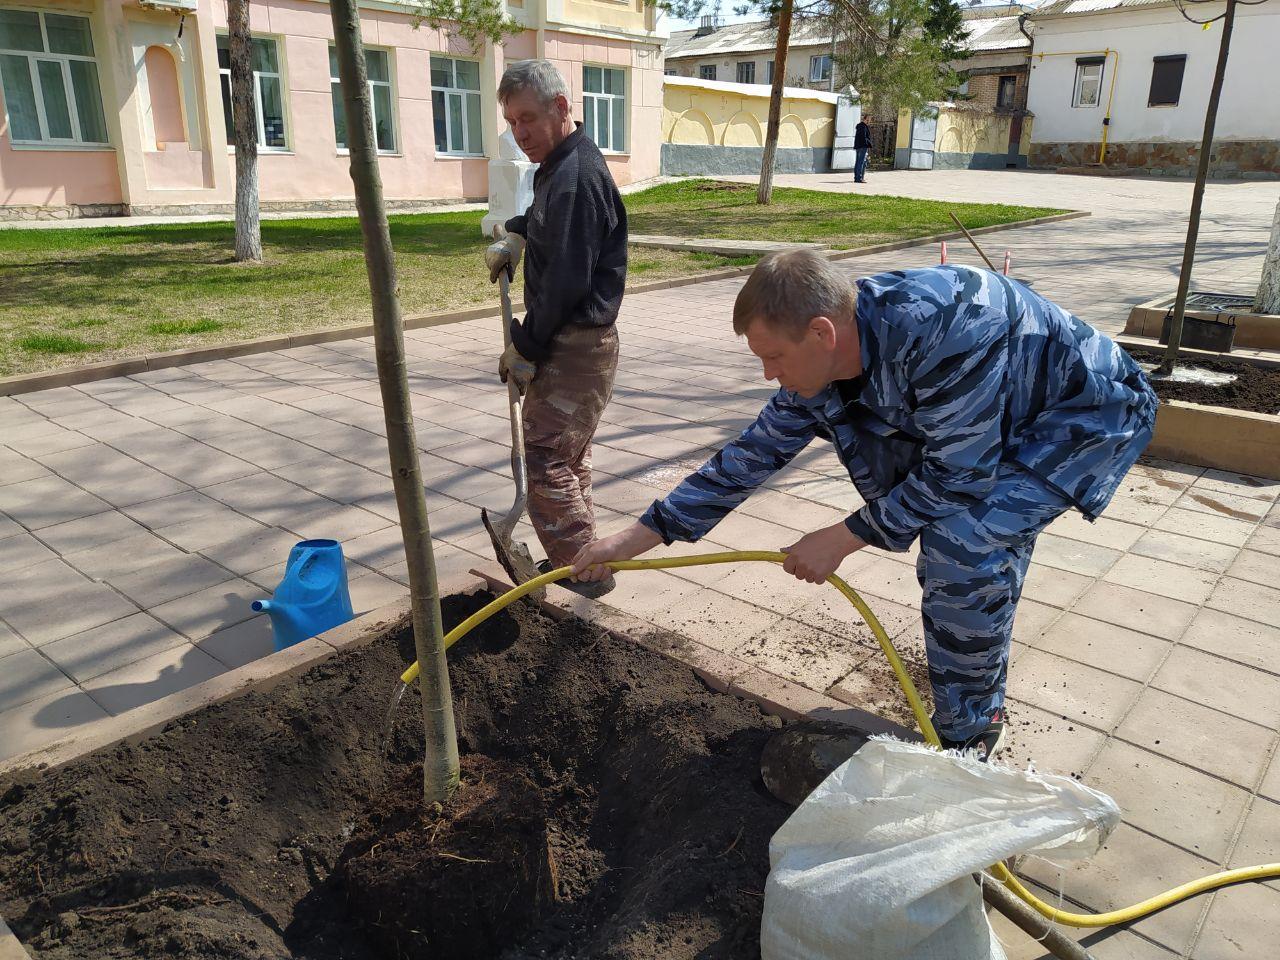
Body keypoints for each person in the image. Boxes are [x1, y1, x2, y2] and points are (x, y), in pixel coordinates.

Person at [572, 251, 1157, 758]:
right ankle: (982, 654)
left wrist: (844, 536)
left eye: (773, 357)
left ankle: (971, 733)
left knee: (963, 542)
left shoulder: (948, 328)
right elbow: (748, 457)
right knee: (976, 541)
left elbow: (959, 473)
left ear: (822, 333)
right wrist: (630, 540)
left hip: (1083, 417)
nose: (769, 374)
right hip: (996, 423)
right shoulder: (821, 368)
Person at [484, 59, 627, 599]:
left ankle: (584, 570)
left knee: (546, 458)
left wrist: (524, 346)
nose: (519, 134)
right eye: (511, 121)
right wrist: (518, 235)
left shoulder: (574, 179)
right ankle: (583, 551)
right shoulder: (561, 165)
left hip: (576, 345)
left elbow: (566, 283)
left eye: (527, 119)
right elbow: (548, 226)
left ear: (561, 109)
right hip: (576, 343)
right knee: (568, 455)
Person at [854, 118, 871, 184]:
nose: (868, 122)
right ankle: (859, 178)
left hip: (858, 146)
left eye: (869, 120)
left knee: (858, 162)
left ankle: (857, 177)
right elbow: (864, 137)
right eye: (867, 120)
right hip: (863, 147)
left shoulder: (859, 126)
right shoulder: (863, 126)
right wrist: (868, 143)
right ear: (864, 119)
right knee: (861, 162)